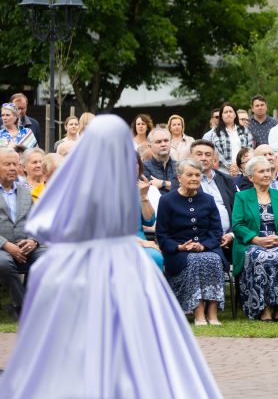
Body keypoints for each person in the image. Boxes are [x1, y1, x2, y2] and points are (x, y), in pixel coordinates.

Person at [0, 116, 222, 398]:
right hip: (124, 261)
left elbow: (47, 223)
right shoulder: (110, 184)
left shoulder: (86, 184)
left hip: (85, 261)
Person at [232, 155, 278, 321]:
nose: (267, 174)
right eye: (262, 171)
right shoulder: (242, 197)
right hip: (251, 243)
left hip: (277, 241)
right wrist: (256, 240)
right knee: (260, 257)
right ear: (251, 177)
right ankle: (262, 308)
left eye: (269, 170)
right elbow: (237, 225)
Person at [157, 158, 226, 325]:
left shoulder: (208, 200)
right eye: (190, 175)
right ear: (179, 178)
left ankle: (213, 312)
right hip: (179, 252)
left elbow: (216, 231)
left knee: (213, 259)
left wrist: (204, 245)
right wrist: (179, 247)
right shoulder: (167, 200)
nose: (195, 178)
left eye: (197, 175)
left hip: (206, 247)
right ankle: (199, 312)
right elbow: (162, 234)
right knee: (194, 261)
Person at [0, 147, 45, 319]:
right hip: (3, 248)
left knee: (48, 258)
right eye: (7, 164)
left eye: (15, 164)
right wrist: (6, 245)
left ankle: (20, 305)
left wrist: (33, 240)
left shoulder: (24, 190)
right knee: (3, 263)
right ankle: (25, 307)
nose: (12, 168)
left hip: (26, 246)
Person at [189, 140, 237, 254]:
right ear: (191, 156)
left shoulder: (226, 180)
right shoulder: (184, 181)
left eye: (208, 154)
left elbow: (238, 211)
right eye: (199, 154)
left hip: (230, 238)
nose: (204, 158)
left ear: (214, 158)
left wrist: (231, 234)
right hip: (200, 239)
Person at [135, 155, 164, 269]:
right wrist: (142, 243)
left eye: (135, 162)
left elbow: (149, 221)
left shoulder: (141, 187)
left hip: (139, 235)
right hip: (114, 240)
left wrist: (143, 195)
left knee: (154, 256)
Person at [210, 102, 253, 171]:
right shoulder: (216, 132)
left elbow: (249, 149)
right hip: (224, 171)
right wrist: (230, 166)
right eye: (225, 112)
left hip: (243, 170)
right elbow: (216, 152)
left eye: (230, 111)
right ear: (221, 116)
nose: (228, 114)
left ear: (235, 115)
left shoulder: (244, 130)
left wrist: (239, 166)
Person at [143, 127, 179, 195]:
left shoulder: (180, 166)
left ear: (170, 142)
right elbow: (150, 190)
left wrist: (162, 183)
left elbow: (189, 188)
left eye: (166, 140)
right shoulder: (143, 167)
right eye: (158, 142)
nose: (163, 144)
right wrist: (174, 185)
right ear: (149, 146)